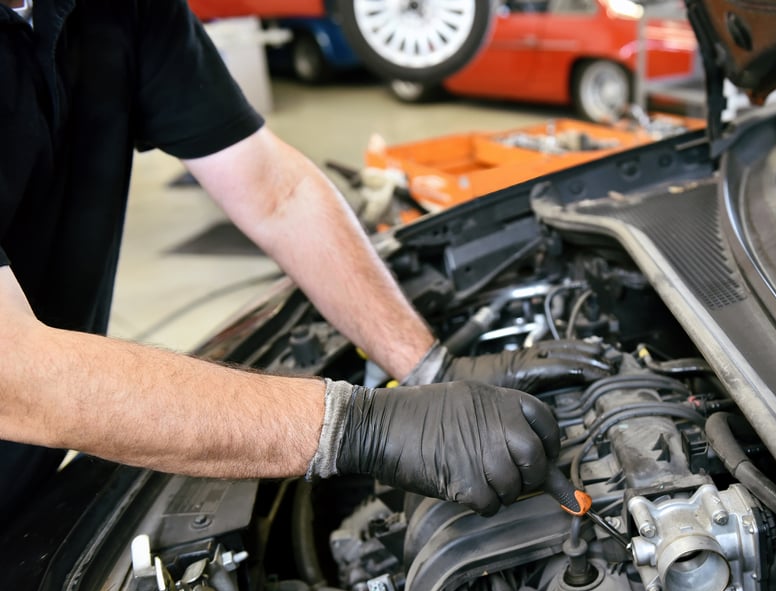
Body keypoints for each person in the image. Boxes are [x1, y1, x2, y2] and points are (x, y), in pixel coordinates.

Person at [0, 0, 611, 516]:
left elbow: (275, 189)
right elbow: (14, 370)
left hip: (38, 469)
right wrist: (359, 427)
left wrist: (427, 366)